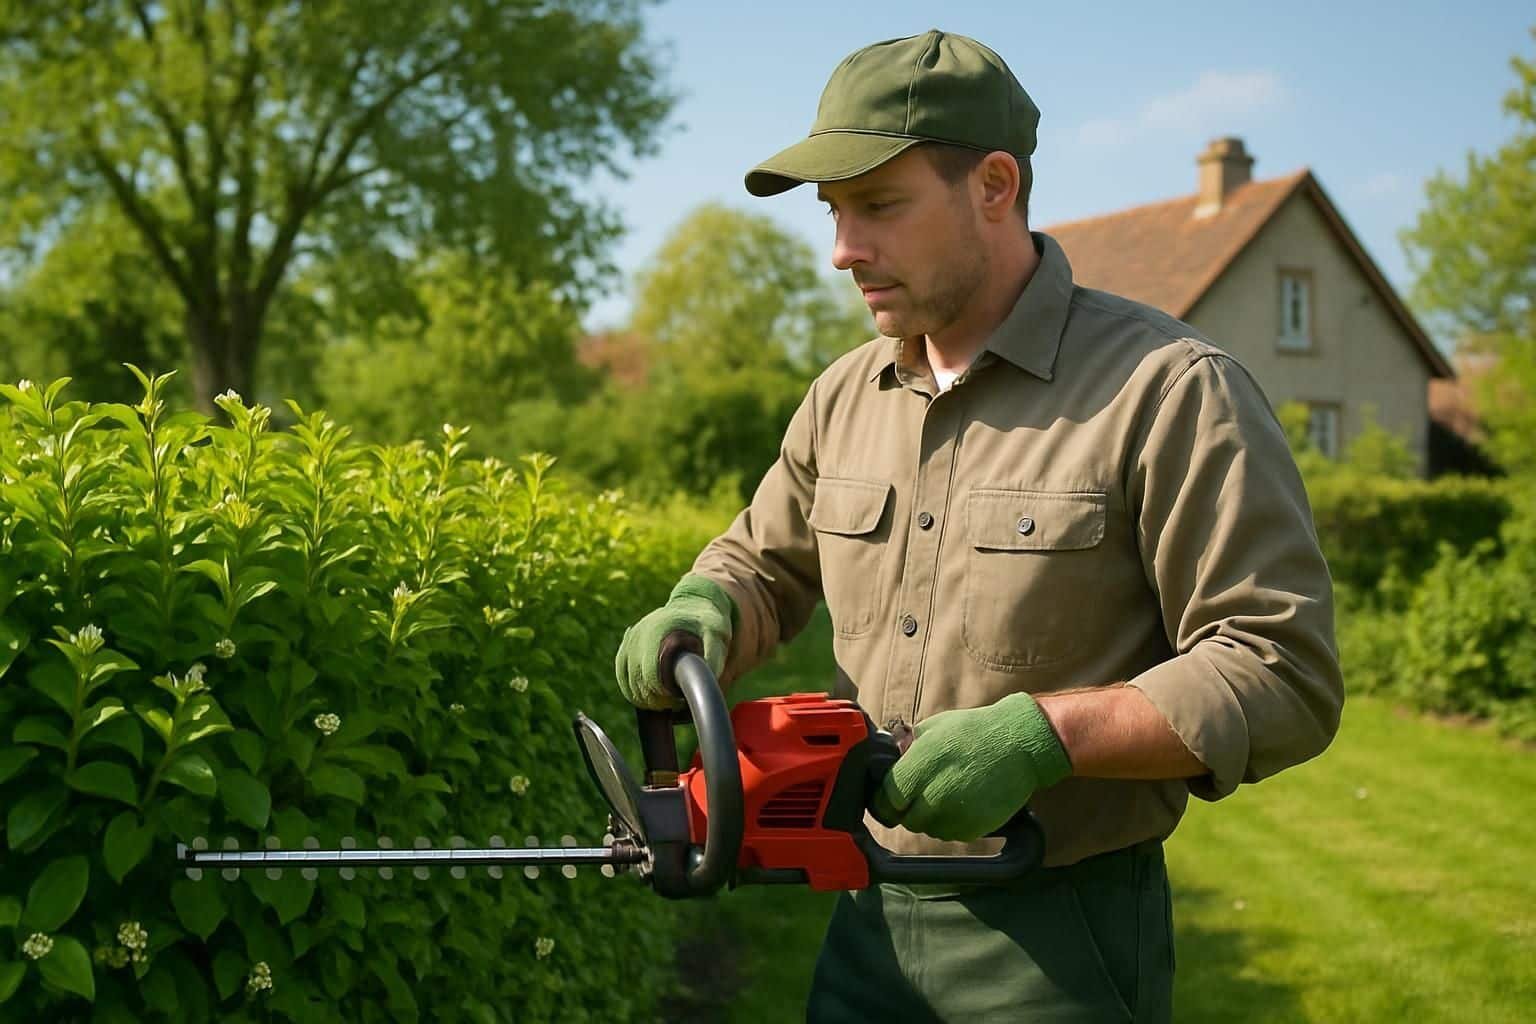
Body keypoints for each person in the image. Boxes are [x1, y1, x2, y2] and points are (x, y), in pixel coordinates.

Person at [613, 28, 1343, 1023]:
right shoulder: (844, 396)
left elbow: (1279, 664)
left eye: (878, 205)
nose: (842, 250)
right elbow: (765, 562)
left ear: (993, 185)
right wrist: (703, 606)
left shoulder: (1169, 390)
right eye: (835, 212)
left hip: (1061, 933)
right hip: (863, 916)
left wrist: (1045, 734)